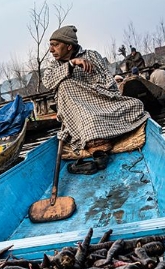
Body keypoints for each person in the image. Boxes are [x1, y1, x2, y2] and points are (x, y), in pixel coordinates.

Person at [44, 25, 148, 169]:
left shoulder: (92, 56)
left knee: (136, 105)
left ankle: (100, 133)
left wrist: (90, 90)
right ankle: (97, 138)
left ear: (68, 46)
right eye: (50, 45)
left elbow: (110, 85)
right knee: (65, 85)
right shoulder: (54, 66)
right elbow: (48, 82)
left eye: (55, 45)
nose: (51, 50)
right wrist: (72, 64)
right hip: (79, 115)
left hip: (100, 104)